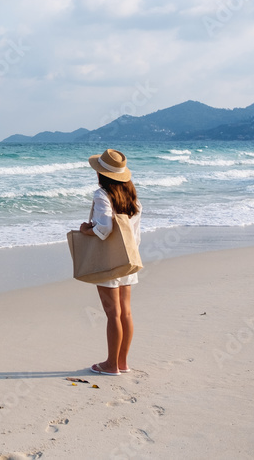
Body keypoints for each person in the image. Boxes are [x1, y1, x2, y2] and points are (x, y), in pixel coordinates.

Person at [78, 148, 141, 376]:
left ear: (100, 174)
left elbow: (104, 227)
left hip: (108, 260)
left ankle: (111, 365)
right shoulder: (132, 195)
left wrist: (87, 230)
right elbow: (134, 234)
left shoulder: (102, 195)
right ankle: (122, 362)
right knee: (125, 312)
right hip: (128, 258)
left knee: (112, 313)